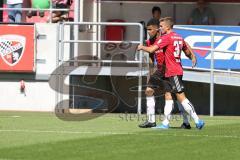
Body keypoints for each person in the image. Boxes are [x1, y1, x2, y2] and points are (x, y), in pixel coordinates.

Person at [138, 17, 204, 130]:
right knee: (164, 94)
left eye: (161, 26)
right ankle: (161, 123)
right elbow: (184, 46)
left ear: (164, 28)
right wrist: (192, 56)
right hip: (165, 70)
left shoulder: (166, 37)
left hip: (171, 70)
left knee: (179, 96)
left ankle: (194, 121)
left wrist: (141, 47)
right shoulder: (175, 37)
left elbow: (152, 50)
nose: (160, 28)